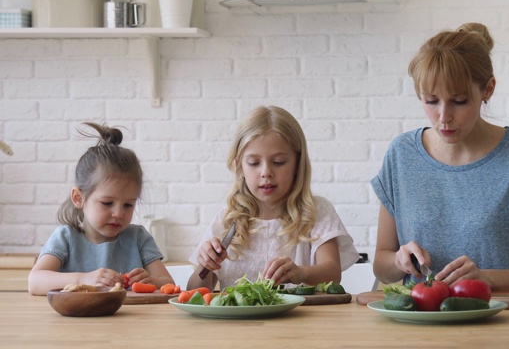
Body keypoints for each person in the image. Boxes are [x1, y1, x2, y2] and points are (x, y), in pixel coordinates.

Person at [371, 23, 509, 293]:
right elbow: (381, 265)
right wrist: (398, 260)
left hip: (504, 326)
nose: (443, 116)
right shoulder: (401, 154)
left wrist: (486, 278)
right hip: (420, 326)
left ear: (488, 89)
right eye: (431, 101)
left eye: (459, 101)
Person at [187, 106, 359, 291]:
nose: (266, 172)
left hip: (303, 319)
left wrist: (301, 273)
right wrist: (205, 265)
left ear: (297, 164)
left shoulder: (316, 211)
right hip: (239, 321)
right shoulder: (227, 220)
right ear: (239, 166)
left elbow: (332, 273)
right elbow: (193, 291)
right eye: (254, 163)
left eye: (278, 162)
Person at [28, 122, 174, 295]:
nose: (119, 214)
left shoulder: (138, 238)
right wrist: (83, 279)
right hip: (76, 321)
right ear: (78, 198)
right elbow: (35, 282)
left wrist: (152, 281)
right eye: (107, 203)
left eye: (128, 204)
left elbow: (168, 283)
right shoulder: (66, 238)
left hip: (133, 321)